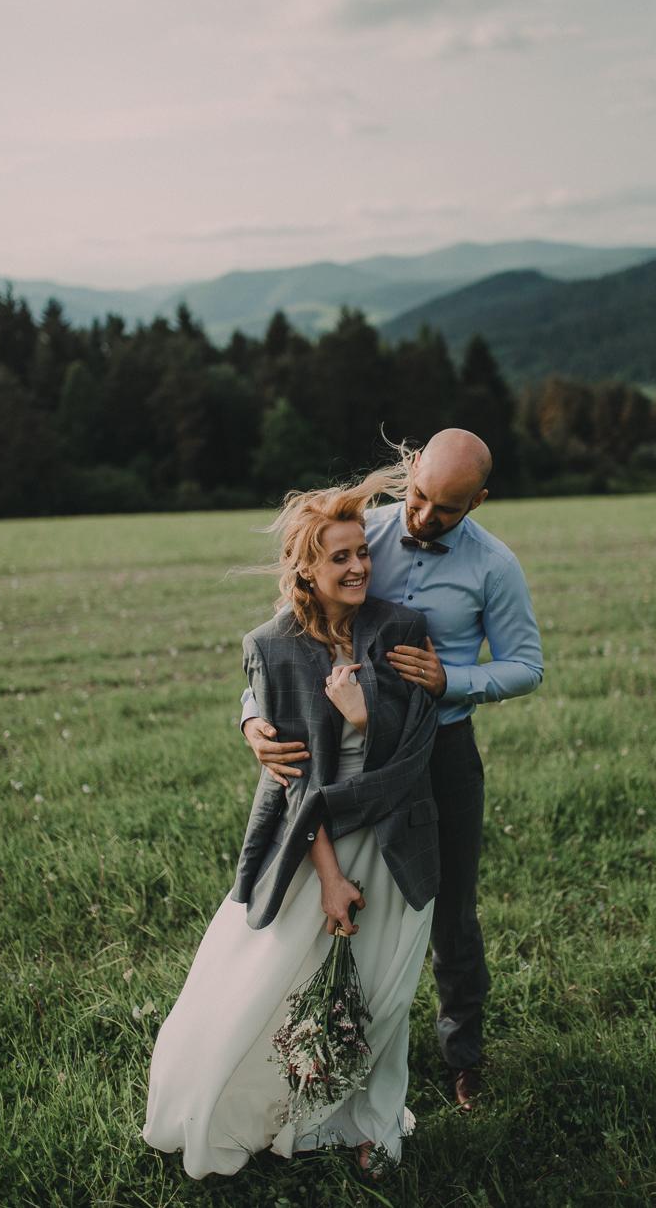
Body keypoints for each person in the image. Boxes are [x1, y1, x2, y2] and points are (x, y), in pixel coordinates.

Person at [143, 473, 440, 1179]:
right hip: (315, 845)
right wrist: (331, 881)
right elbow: (295, 779)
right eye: (339, 557)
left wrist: (366, 714)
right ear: (305, 567)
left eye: (362, 552)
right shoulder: (271, 647)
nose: (358, 566)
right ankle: (264, 1114)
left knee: (386, 994)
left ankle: (373, 1126)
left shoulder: (400, 628)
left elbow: (418, 744)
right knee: (272, 985)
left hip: (397, 837)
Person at [242, 429, 544, 1111]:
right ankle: (337, 1042)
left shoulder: (495, 566)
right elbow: (288, 636)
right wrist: (250, 717)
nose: (423, 516)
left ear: (479, 501)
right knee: (344, 897)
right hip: (345, 754)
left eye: (447, 509)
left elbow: (527, 665)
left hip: (440, 748)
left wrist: (451, 679)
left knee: (451, 907)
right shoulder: (358, 535)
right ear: (410, 474)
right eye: (419, 497)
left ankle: (463, 1057)